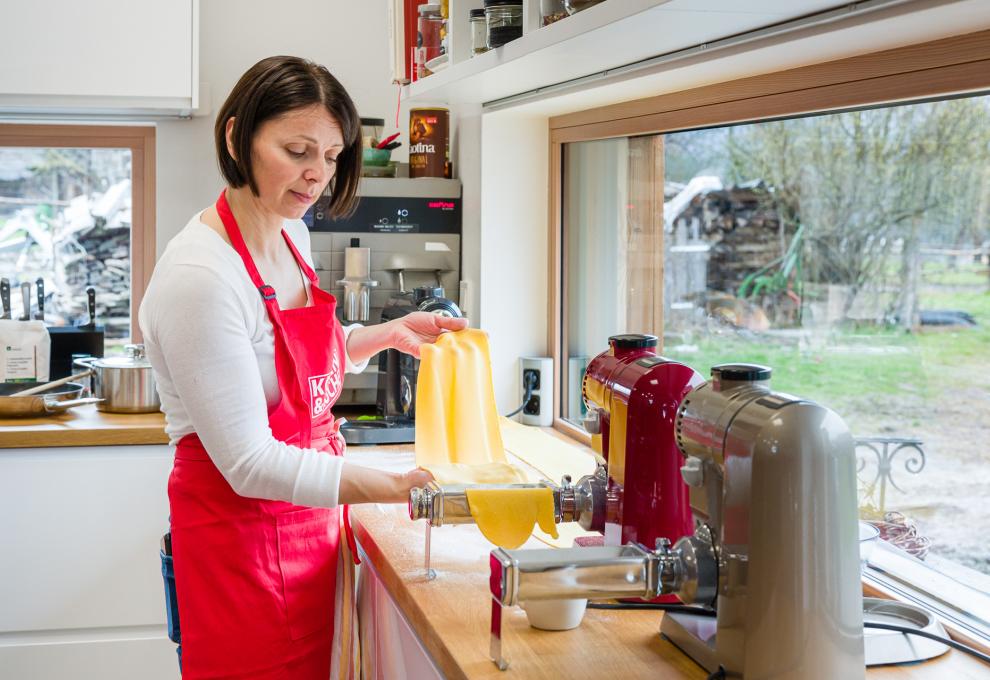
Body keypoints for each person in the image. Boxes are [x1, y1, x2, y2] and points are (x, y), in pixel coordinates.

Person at [139, 55, 465, 679]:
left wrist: (382, 335)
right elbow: (249, 463)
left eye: (334, 155)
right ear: (237, 137)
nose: (317, 175)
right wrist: (396, 489)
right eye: (297, 150)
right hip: (239, 545)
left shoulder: (293, 234)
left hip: (309, 526)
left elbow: (282, 354)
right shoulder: (199, 278)